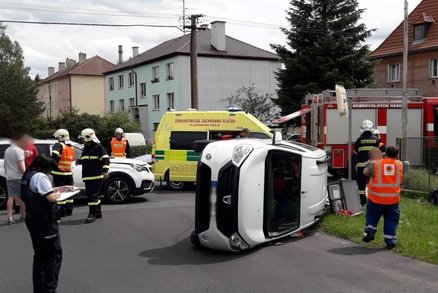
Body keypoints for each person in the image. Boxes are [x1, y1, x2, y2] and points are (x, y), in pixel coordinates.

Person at [21, 155, 74, 293]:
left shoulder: (27, 175)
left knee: (40, 256)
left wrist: (62, 188)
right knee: (53, 256)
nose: (49, 172)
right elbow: (50, 197)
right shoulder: (40, 176)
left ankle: (40, 289)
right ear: (44, 167)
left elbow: (41, 191)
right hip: (44, 220)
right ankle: (49, 289)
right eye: (49, 169)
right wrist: (58, 195)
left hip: (32, 218)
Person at [362, 145, 404, 250]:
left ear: (385, 153)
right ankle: (390, 241)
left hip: (376, 198)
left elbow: (365, 172)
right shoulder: (399, 164)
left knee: (372, 216)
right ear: (397, 155)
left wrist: (370, 162)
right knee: (391, 220)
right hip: (393, 200)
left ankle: (370, 232)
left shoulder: (375, 163)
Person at [77, 128, 110, 223]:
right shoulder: (86, 148)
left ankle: (92, 214)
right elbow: (88, 159)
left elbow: (106, 159)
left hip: (96, 176)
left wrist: (105, 171)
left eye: (83, 138)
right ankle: (98, 212)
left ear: (88, 137)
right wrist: (80, 161)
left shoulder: (98, 147)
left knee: (92, 195)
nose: (82, 140)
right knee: (94, 195)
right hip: (88, 176)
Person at [354, 120, 380, 206]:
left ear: (362, 129)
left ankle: (363, 203)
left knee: (361, 186)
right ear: (372, 128)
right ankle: (373, 202)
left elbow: (355, 152)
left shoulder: (358, 140)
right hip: (373, 167)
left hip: (361, 167)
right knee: (373, 184)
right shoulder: (376, 140)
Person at [51, 129, 75, 217]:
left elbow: (54, 155)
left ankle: (62, 212)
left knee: (60, 193)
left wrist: (56, 160)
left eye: (57, 137)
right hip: (68, 173)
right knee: (69, 192)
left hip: (59, 173)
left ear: (60, 137)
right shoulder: (71, 147)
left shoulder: (58, 145)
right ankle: (69, 210)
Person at [4, 133, 26, 224]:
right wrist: (25, 173)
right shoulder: (19, 150)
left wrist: (7, 174)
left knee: (10, 197)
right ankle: (23, 216)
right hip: (18, 177)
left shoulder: (7, 150)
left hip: (9, 176)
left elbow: (5, 164)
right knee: (22, 198)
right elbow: (21, 165)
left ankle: (10, 218)